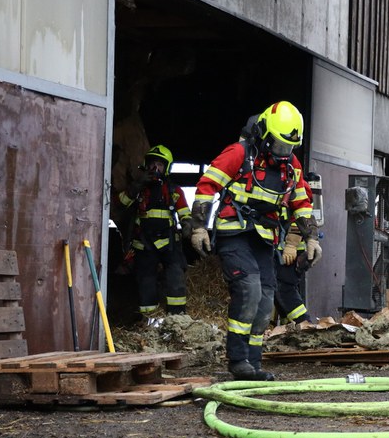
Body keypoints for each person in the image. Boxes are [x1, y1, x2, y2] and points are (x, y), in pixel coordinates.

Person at [188, 101, 320, 380]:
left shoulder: (291, 166)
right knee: (249, 290)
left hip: (265, 237)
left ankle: (253, 363)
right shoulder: (239, 153)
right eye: (280, 146)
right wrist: (198, 228)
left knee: (265, 302)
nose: (284, 154)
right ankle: (237, 360)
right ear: (264, 134)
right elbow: (207, 186)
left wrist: (311, 238)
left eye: (290, 148)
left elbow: (302, 202)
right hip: (234, 232)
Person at [116, 144, 190, 323]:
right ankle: (150, 322)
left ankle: (178, 320)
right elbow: (120, 204)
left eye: (160, 165)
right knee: (146, 282)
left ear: (167, 168)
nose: (154, 168)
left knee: (176, 280)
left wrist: (189, 227)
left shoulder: (174, 191)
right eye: (151, 164)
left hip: (170, 244)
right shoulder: (138, 189)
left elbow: (185, 215)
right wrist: (137, 184)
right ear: (145, 165)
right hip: (144, 245)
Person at [274, 159, 322, 326]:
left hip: (297, 250)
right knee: (278, 291)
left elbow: (301, 216)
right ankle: (289, 329)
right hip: (286, 250)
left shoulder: (299, 188)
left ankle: (305, 325)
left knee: (284, 289)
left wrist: (292, 244)